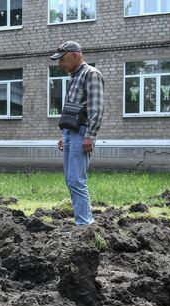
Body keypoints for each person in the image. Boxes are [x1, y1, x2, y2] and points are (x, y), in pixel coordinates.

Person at [50, 41, 104, 226]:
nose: (60, 64)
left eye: (62, 59)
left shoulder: (91, 74)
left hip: (82, 134)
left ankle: (85, 225)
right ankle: (82, 221)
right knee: (70, 180)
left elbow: (96, 108)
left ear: (75, 55)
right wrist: (64, 133)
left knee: (76, 180)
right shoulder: (74, 77)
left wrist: (90, 135)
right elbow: (72, 109)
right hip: (70, 133)